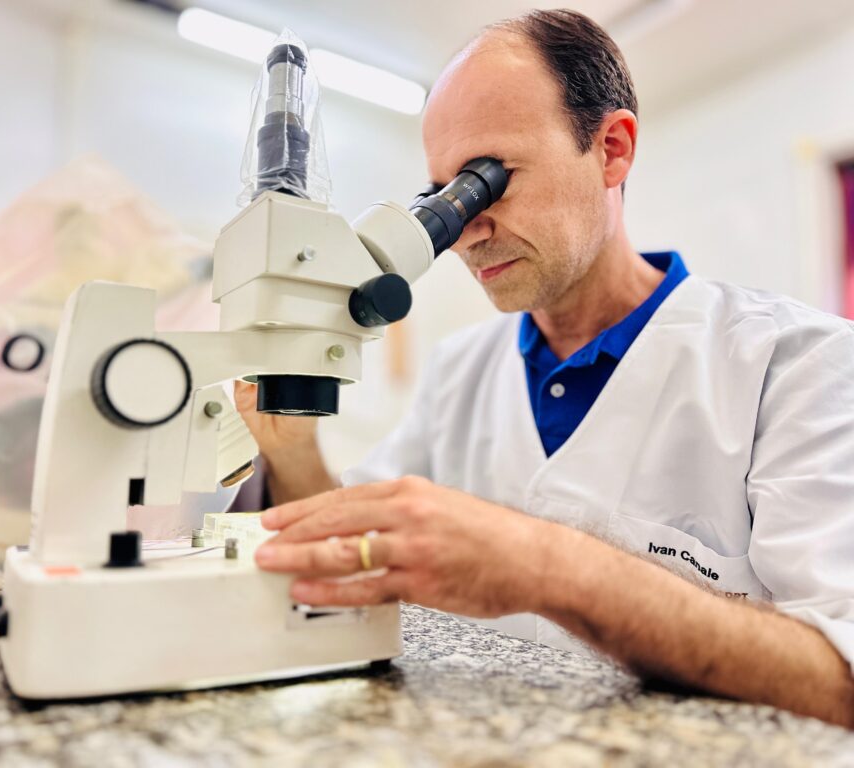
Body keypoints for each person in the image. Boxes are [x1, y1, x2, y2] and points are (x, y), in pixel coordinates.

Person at [234, 10, 854, 727]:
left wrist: (547, 564)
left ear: (612, 150)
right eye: (441, 197)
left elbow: (840, 679)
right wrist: (290, 445)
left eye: (486, 180)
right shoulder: (459, 370)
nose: (464, 230)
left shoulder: (798, 365)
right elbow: (361, 559)